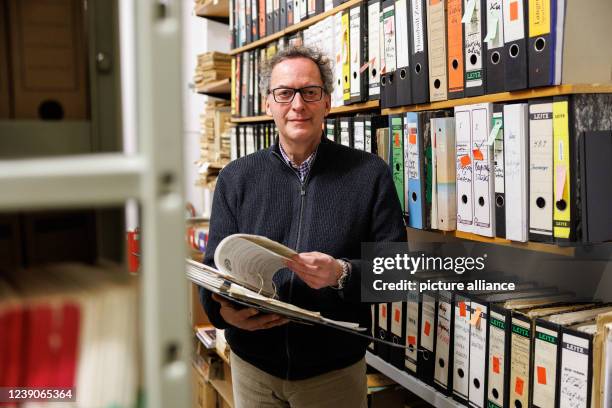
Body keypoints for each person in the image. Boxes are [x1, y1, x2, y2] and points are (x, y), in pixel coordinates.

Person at [200, 45, 406, 408]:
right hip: (253, 369)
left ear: (327, 102)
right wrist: (222, 313)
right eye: (285, 93)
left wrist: (341, 273)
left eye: (310, 92)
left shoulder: (369, 174)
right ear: (268, 104)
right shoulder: (236, 178)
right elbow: (213, 266)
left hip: (333, 375)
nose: (298, 104)